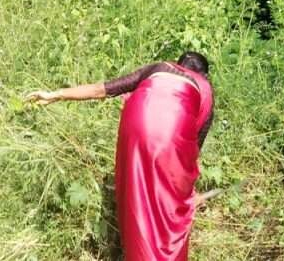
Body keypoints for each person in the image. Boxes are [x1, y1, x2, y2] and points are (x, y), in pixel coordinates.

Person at [28, 52, 215, 261]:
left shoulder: (157, 68)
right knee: (170, 207)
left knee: (137, 192)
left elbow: (102, 89)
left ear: (177, 64)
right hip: (170, 133)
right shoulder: (203, 87)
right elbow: (193, 151)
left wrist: (55, 94)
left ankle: (136, 250)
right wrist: (187, 196)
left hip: (134, 125)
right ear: (203, 75)